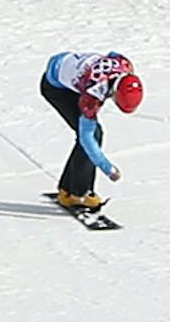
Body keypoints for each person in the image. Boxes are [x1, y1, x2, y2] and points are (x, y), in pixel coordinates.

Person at [40, 49, 143, 214]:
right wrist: (107, 168)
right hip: (55, 87)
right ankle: (77, 194)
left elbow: (112, 54)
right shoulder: (92, 95)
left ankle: (68, 188)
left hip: (71, 67)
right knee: (94, 134)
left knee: (94, 133)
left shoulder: (125, 65)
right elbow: (86, 137)